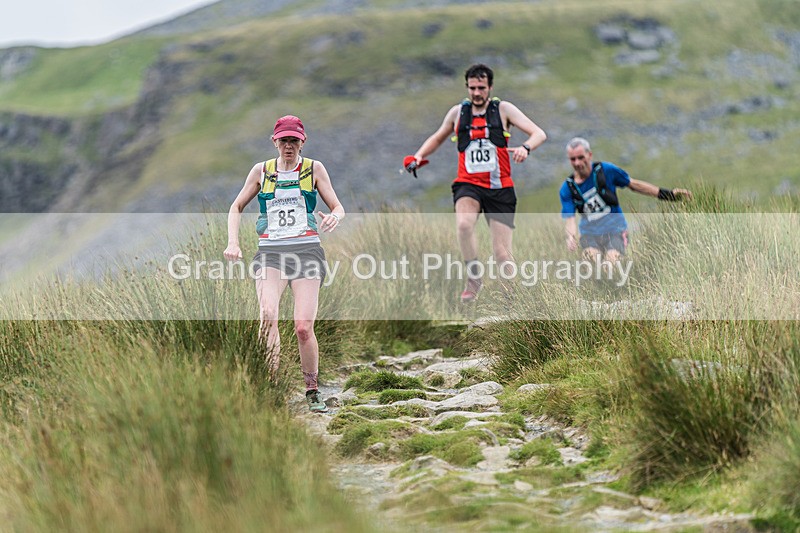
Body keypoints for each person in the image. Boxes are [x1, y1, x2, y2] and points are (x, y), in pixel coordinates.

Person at [224, 115, 344, 413]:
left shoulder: (314, 169)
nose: (288, 145)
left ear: (303, 141)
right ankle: (271, 386)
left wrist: (334, 217)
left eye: (294, 140)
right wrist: (233, 242)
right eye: (283, 140)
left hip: (306, 253)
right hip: (271, 254)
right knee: (267, 315)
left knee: (303, 327)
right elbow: (236, 206)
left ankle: (312, 389)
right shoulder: (261, 171)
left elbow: (338, 206)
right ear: (274, 141)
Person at [405, 63, 547, 303]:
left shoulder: (504, 110)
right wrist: (419, 156)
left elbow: (538, 133)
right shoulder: (457, 113)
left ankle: (510, 299)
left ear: (490, 87)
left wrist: (525, 148)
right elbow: (438, 137)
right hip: (468, 185)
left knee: (502, 255)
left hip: (500, 188)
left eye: (481, 88)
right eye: (472, 88)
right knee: (463, 225)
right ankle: (474, 276)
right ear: (467, 88)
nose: (477, 93)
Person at [560, 136, 692, 269]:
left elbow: (634, 185)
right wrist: (571, 238)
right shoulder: (567, 188)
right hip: (590, 236)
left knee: (609, 267)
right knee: (592, 268)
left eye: (581, 157)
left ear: (589, 155)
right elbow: (570, 219)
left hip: (615, 231)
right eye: (573, 159)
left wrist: (669, 195)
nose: (577, 163)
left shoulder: (606, 170)